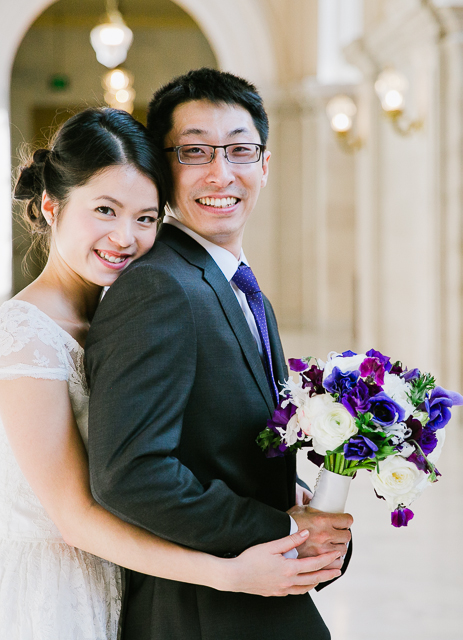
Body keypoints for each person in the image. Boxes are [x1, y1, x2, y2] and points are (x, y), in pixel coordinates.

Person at [0, 107, 341, 640]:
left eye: (144, 218)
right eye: (105, 210)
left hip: (129, 573)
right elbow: (75, 520)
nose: (124, 237)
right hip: (54, 590)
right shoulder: (24, 334)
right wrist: (229, 574)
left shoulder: (110, 311)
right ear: (51, 207)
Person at [86, 69, 353, 640]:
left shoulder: (231, 281)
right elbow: (129, 474)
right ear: (162, 168)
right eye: (195, 152)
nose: (221, 173)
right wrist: (280, 526)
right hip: (198, 610)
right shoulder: (159, 286)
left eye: (239, 150)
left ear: (265, 164)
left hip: (252, 598)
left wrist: (304, 507)